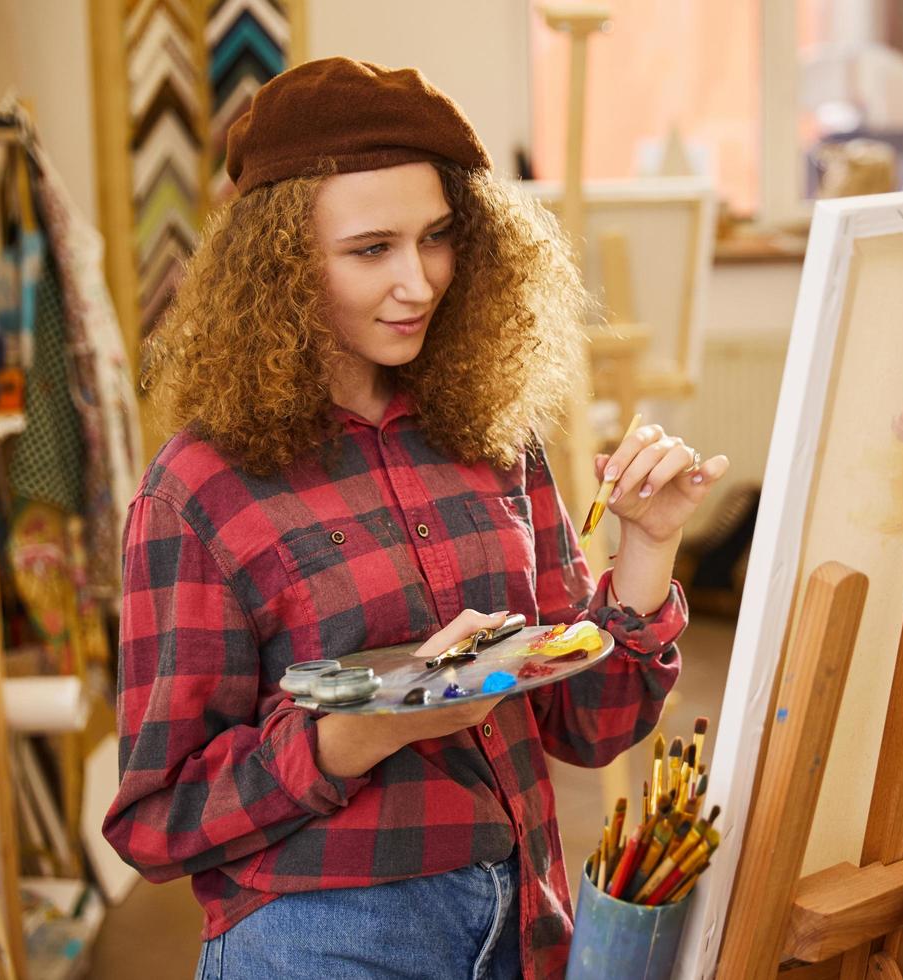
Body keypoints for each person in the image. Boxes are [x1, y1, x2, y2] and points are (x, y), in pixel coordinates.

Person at [103, 58, 728, 980]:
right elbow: (156, 819)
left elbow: (584, 725)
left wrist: (647, 542)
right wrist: (352, 736)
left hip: (525, 925)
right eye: (371, 250)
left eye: (437, 238)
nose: (419, 282)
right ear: (278, 266)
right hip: (321, 941)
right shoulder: (199, 489)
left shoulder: (490, 438)